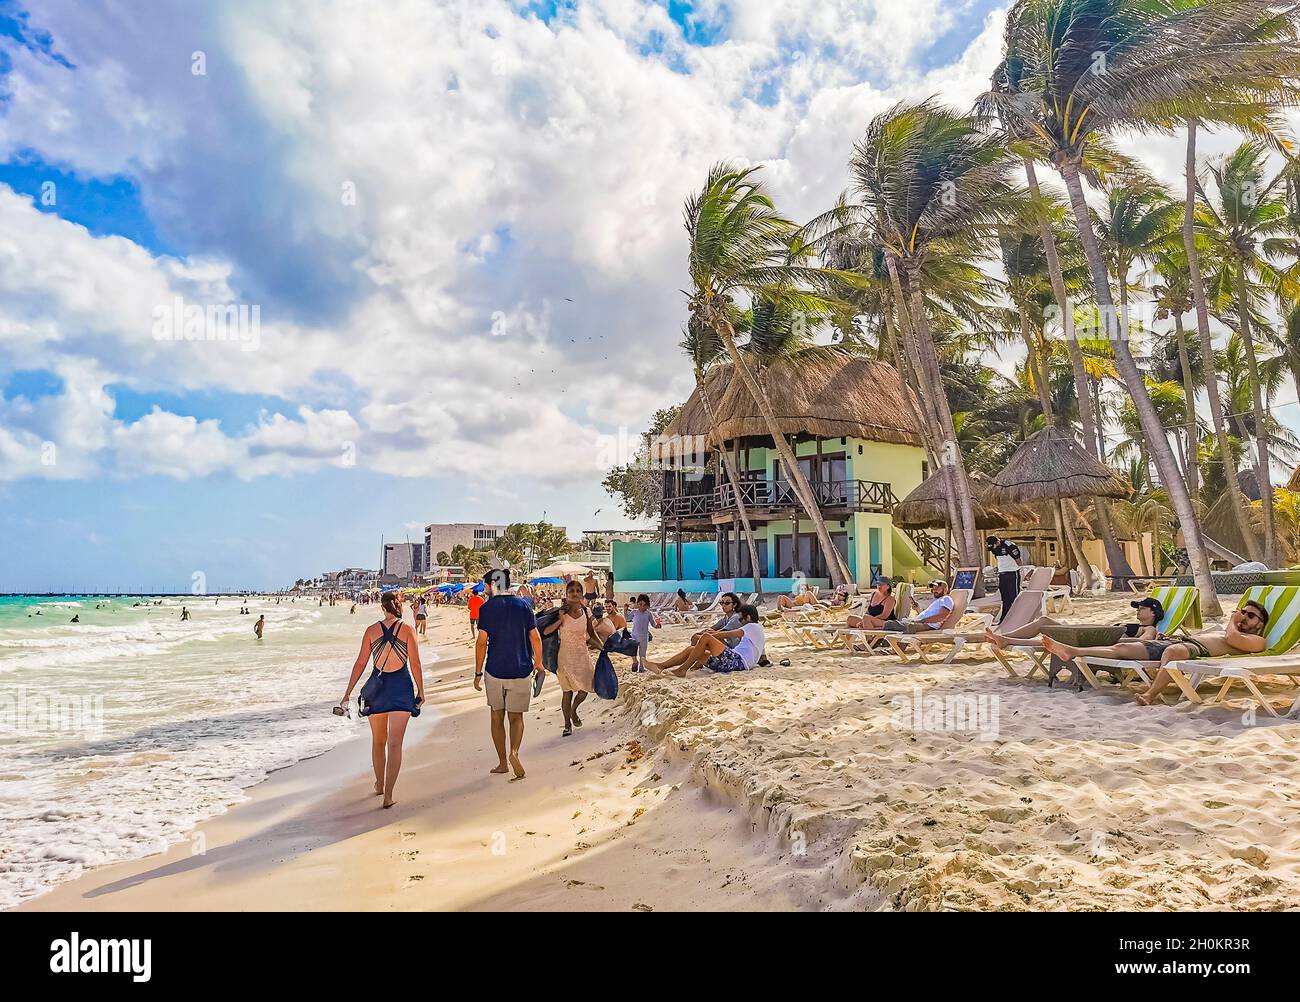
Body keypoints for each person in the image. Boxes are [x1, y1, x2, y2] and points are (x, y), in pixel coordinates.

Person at [1043, 600, 1270, 705]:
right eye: (1243, 612)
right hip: (1183, 641)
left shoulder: (1257, 640)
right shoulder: (1232, 630)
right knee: (1123, 648)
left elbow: (1231, 638)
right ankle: (1072, 650)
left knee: (1172, 652)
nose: (1244, 617)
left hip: (1198, 650)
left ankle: (1151, 694)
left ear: (1259, 624)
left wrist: (1232, 619)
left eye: (1250, 616)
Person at [339, 591, 424, 808]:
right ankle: (388, 795)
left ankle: (379, 784)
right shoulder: (407, 629)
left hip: (377, 689)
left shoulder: (371, 631)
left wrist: (348, 692)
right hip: (401, 688)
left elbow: (360, 663)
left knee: (379, 741)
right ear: (399, 606)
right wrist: (421, 691)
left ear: (382, 607)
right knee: (395, 744)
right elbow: (415, 663)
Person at [474, 569, 544, 780]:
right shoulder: (523, 605)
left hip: (495, 670)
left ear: (493, 584)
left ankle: (503, 763)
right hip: (521, 669)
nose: (484, 588)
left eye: (485, 585)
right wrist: (538, 664)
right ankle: (514, 752)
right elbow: (535, 638)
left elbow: (481, 642)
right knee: (516, 718)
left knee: (497, 716)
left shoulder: (486, 609)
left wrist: (477, 672)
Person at [984, 596, 1162, 650]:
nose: (1138, 610)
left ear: (1153, 612)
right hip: (1090, 637)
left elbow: (1145, 643)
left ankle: (1005, 638)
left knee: (1045, 622)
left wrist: (1114, 639)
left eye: (1142, 608)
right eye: (1137, 607)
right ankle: (1005, 639)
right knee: (1046, 629)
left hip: (1095, 641)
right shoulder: (1136, 624)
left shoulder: (1149, 628)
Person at [540, 581, 600, 736]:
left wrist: (602, 647)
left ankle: (573, 711)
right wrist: (560, 620)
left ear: (582, 593)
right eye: (571, 590)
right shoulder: (560, 612)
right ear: (566, 594)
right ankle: (567, 725)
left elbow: (591, 634)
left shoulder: (586, 612)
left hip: (583, 656)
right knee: (567, 692)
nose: (575, 593)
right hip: (565, 657)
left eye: (578, 590)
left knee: (585, 688)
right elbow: (546, 632)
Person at [647, 604, 765, 676]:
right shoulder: (754, 629)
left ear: (748, 617)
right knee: (692, 649)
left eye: (740, 619)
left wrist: (709, 634)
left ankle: (683, 669)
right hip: (733, 662)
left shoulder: (753, 626)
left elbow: (729, 634)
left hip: (738, 661)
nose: (739, 621)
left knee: (706, 638)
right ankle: (661, 666)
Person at [883, 580, 952, 633]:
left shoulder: (946, 599)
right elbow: (928, 615)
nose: (934, 591)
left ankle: (895, 650)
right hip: (921, 623)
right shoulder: (938, 601)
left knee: (909, 627)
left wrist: (922, 621)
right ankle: (885, 647)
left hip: (927, 626)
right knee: (889, 624)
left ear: (945, 590)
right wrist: (917, 609)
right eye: (933, 589)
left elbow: (942, 616)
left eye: (937, 589)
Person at [987, 536, 1022, 622]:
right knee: (1005, 598)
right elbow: (999, 560)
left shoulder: (1009, 546)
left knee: (1013, 597)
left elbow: (1018, 561)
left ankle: (1017, 618)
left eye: (993, 546)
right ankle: (1005, 619)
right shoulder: (994, 549)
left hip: (1012, 574)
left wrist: (1017, 568)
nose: (992, 549)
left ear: (997, 542)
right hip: (1002, 575)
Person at [629, 594, 654, 672]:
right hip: (634, 635)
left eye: (645, 605)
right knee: (632, 650)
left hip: (644, 636)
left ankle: (642, 668)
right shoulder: (634, 612)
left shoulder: (648, 614)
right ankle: (635, 661)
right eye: (640, 604)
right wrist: (625, 610)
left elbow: (653, 624)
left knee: (642, 653)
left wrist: (657, 626)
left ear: (648, 605)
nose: (642, 607)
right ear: (637, 604)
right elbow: (627, 618)